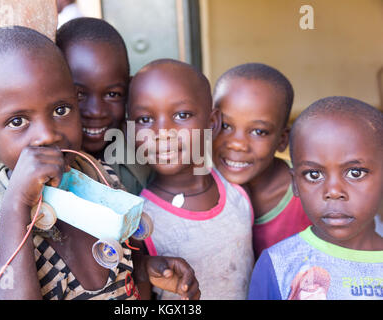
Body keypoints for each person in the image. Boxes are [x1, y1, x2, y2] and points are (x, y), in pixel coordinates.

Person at [0, 26, 200, 300]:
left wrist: (144, 270)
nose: (47, 134)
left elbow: (118, 271)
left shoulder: (101, 177)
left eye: (61, 110)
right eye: (17, 121)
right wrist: (17, 205)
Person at [128, 59, 254, 299]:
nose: (162, 133)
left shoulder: (237, 190)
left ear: (212, 123)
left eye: (182, 115)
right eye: (144, 119)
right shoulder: (140, 221)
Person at [248, 96, 383, 300]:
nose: (334, 191)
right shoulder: (278, 264)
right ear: (295, 183)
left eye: (355, 173)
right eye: (313, 175)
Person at [212, 63, 311, 259]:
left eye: (259, 131)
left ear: (283, 139)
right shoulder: (196, 185)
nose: (238, 144)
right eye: (225, 125)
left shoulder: (310, 193)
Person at [56, 17, 153, 195]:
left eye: (112, 94)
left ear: (129, 91)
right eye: (79, 94)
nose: (96, 112)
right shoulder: (46, 162)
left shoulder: (144, 147)